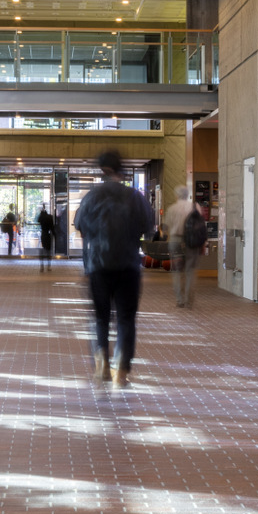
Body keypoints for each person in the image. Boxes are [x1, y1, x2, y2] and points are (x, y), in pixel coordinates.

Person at [75, 149, 156, 384]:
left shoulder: (92, 196)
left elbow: (80, 224)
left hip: (98, 265)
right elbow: (148, 228)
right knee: (126, 318)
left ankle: (101, 358)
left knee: (101, 318)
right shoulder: (135, 197)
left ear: (103, 170)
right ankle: (122, 369)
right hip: (128, 265)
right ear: (121, 169)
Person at [163, 188, 205, 308]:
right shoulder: (194, 207)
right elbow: (201, 227)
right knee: (190, 271)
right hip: (191, 241)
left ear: (176, 195)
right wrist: (202, 244)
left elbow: (166, 228)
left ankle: (180, 300)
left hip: (175, 241)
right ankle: (189, 301)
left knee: (177, 272)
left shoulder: (171, 208)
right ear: (188, 195)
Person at [36, 205, 59, 271]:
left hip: (43, 234)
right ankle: (48, 266)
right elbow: (52, 228)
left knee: (43, 249)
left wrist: (41, 213)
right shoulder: (50, 217)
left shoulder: (41, 217)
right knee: (48, 250)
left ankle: (42, 265)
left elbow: (38, 220)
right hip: (49, 235)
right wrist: (55, 235)